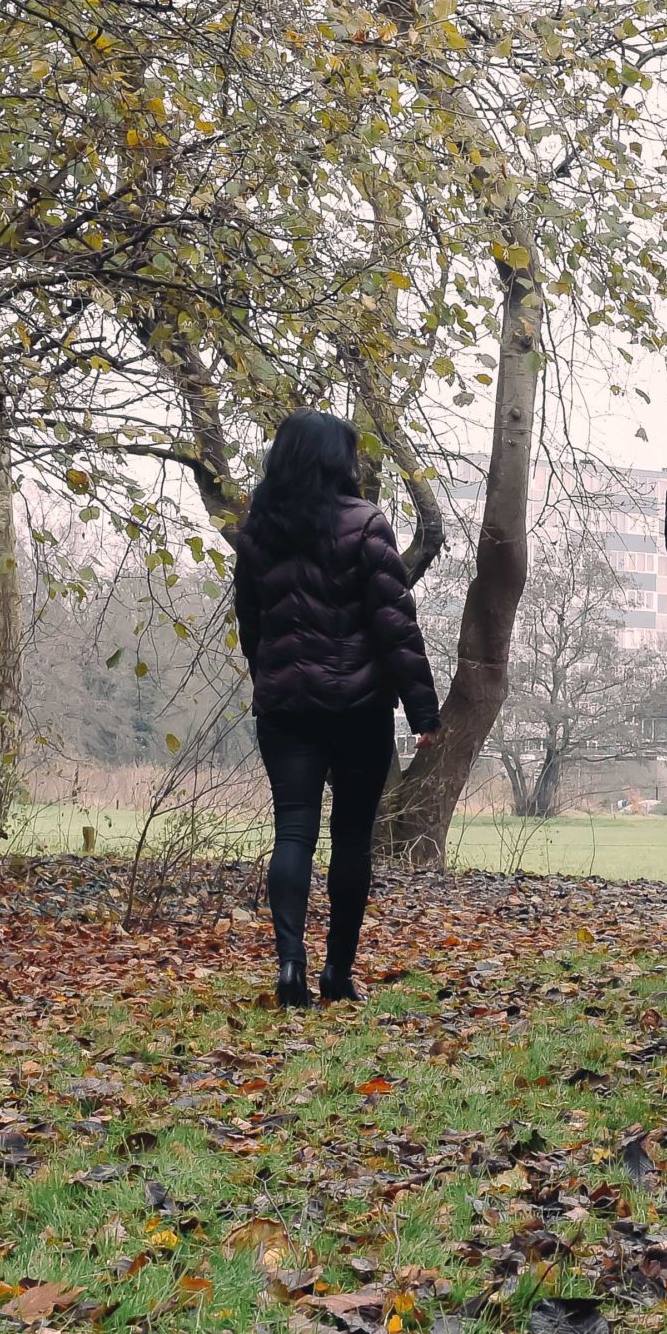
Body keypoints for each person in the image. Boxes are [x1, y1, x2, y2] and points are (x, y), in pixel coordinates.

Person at [232, 411, 442, 1008]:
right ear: (337, 460)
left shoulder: (259, 532)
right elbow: (396, 628)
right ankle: (338, 973)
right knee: (351, 839)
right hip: (358, 708)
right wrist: (423, 712)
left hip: (286, 707)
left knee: (292, 831)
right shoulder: (367, 525)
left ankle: (290, 966)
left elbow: (253, 624)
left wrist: (269, 678)